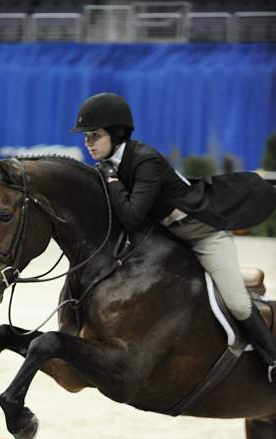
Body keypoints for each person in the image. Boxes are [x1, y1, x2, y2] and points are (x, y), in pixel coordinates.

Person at [71, 92, 276, 386]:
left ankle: (272, 359)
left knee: (238, 302)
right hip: (169, 239)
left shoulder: (145, 161)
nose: (88, 142)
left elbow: (130, 216)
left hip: (205, 235)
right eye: (86, 136)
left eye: (94, 135)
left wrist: (113, 182)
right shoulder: (107, 165)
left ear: (116, 134)